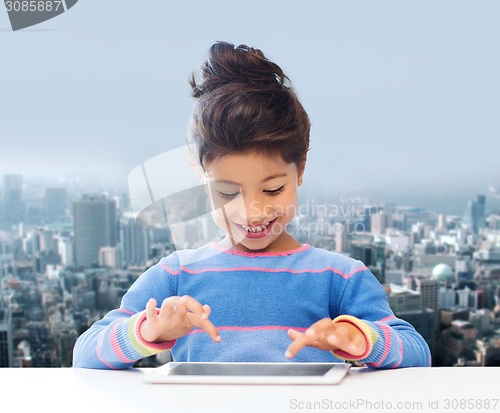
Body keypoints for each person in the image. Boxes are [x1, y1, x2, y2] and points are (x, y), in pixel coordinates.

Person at [72, 42, 431, 369]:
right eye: (228, 193)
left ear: (300, 169)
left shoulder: (340, 278)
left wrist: (360, 338)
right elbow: (85, 353)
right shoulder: (177, 275)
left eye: (273, 189)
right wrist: (147, 331)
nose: (252, 212)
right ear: (200, 175)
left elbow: (417, 352)